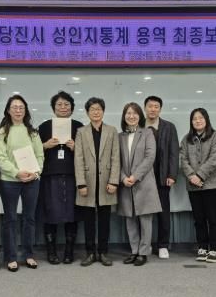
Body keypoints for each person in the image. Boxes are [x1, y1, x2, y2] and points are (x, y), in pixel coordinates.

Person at [0, 95, 44, 272]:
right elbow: (1, 158)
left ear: (25, 110)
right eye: (14, 107)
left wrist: (35, 172)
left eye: (21, 107)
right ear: (8, 110)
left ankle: (28, 255)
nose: (18, 110)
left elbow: (40, 155)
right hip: (10, 180)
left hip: (32, 180)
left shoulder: (33, 132)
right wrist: (17, 172)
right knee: (10, 219)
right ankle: (11, 257)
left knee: (29, 218)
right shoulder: (2, 132)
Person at [38, 91, 83, 264]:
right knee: (50, 213)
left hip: (73, 176)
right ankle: (51, 252)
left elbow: (89, 153)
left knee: (72, 213)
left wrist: (76, 147)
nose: (63, 107)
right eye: (59, 104)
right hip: (50, 176)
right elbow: (33, 151)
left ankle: (69, 251)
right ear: (53, 108)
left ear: (72, 108)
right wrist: (45, 145)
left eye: (66, 104)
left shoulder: (79, 127)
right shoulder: (44, 127)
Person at [74, 97, 120, 267]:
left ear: (103, 111)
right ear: (87, 112)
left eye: (99, 109)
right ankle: (90, 253)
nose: (96, 112)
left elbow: (116, 157)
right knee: (88, 221)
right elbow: (78, 158)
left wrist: (114, 181)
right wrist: (81, 183)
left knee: (104, 220)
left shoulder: (112, 131)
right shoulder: (81, 132)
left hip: (107, 182)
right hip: (87, 182)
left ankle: (103, 252)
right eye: (92, 109)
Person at [118, 103, 162, 266]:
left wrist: (135, 176)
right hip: (126, 184)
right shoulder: (119, 136)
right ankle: (134, 251)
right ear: (124, 116)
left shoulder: (147, 133)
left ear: (140, 116)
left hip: (144, 183)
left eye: (135, 113)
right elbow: (116, 161)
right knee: (130, 220)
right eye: (128, 113)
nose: (131, 116)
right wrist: (123, 178)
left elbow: (150, 157)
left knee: (145, 220)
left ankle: (143, 252)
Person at [179, 108, 216, 263]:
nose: (198, 121)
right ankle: (202, 247)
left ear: (206, 119)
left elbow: (215, 159)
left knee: (213, 218)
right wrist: (192, 176)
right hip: (193, 185)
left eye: (201, 118)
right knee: (198, 218)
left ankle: (214, 249)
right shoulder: (186, 139)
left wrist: (199, 175)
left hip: (212, 184)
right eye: (194, 119)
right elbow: (183, 159)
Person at [143, 96, 179, 259]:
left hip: (162, 176)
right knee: (144, 213)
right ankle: (146, 243)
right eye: (150, 106)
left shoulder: (169, 127)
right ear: (145, 108)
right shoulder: (139, 126)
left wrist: (172, 174)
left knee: (163, 212)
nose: (153, 109)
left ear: (160, 109)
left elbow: (174, 152)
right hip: (143, 176)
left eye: (156, 106)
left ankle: (163, 245)